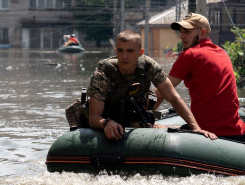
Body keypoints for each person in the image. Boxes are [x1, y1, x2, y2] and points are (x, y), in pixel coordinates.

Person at [87, 29, 217, 141]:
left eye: (130, 51)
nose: (124, 56)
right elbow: (94, 117)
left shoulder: (149, 66)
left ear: (140, 52)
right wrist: (106, 123)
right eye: (120, 51)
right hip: (108, 119)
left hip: (133, 119)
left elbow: (173, 97)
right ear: (116, 51)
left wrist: (196, 128)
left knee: (147, 119)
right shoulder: (104, 72)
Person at [155, 13, 245, 139]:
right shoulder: (222, 52)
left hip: (208, 133)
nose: (182, 36)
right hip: (236, 130)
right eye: (181, 31)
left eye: (187, 31)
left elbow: (161, 93)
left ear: (203, 33)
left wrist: (142, 119)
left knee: (157, 128)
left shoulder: (190, 55)